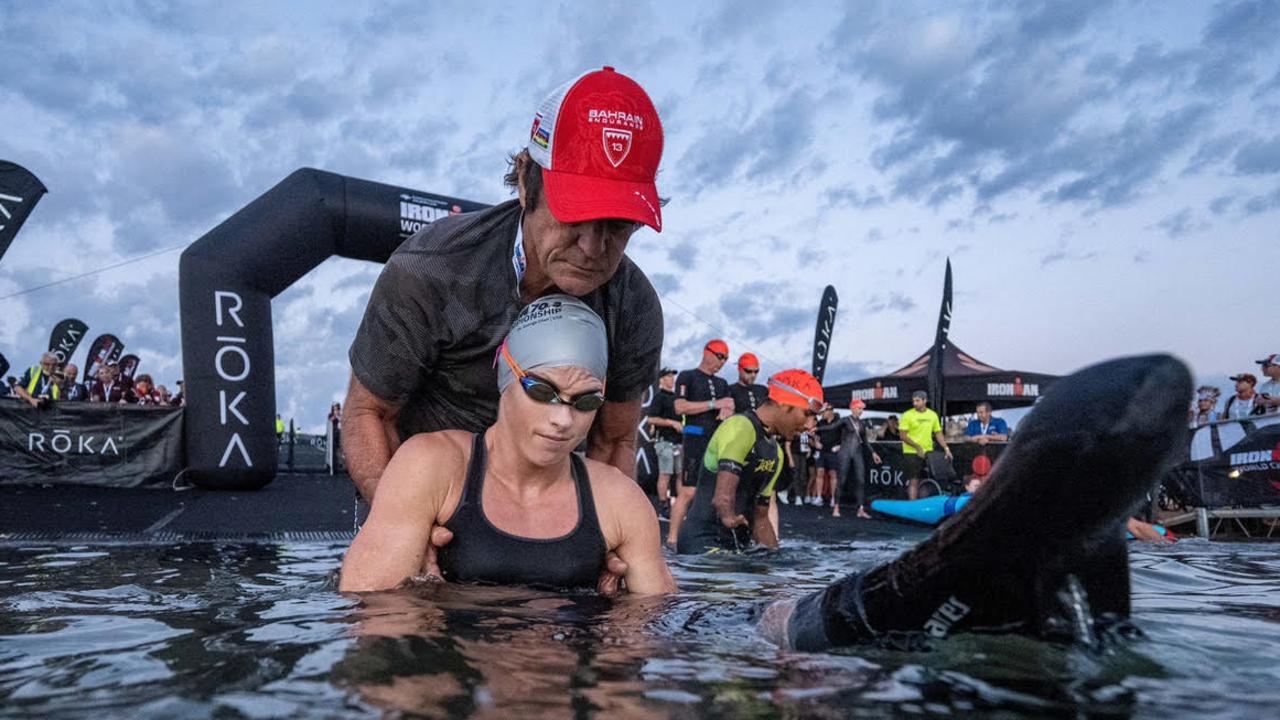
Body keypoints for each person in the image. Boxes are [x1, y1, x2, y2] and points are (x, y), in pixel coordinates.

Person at [343, 67, 666, 503]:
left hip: (549, 502)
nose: (593, 247)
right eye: (575, 215)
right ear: (525, 178)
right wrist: (398, 525)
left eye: (619, 223)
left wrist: (609, 539)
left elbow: (614, 442)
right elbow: (369, 413)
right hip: (431, 488)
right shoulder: (431, 270)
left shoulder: (634, 306)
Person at [758, 354, 1192, 650]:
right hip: (747, 575)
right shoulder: (747, 433)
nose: (811, 422)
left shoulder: (1077, 536)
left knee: (761, 618)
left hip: (836, 608)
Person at [340, 295, 675, 594]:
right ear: (505, 376)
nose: (563, 419)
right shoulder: (433, 467)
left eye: (585, 402)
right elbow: (372, 614)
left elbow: (651, 630)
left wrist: (616, 623)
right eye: (542, 391)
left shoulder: (619, 501)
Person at [676, 369, 823, 555]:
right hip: (702, 544)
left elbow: (761, 519)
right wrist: (730, 519)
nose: (810, 426)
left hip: (734, 548)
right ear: (784, 404)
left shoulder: (776, 452)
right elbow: (721, 499)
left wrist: (775, 558)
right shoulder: (740, 427)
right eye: (808, 414)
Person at [666, 340, 733, 548]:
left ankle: (707, 537)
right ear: (707, 353)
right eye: (720, 356)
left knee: (714, 491)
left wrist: (726, 410)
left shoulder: (722, 384)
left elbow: (729, 406)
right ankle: (672, 539)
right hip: (695, 438)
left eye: (726, 358)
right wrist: (714, 404)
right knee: (688, 491)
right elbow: (680, 407)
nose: (722, 362)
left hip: (716, 441)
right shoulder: (688, 376)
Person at [831, 399, 882, 519]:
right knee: (841, 480)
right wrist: (816, 429)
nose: (861, 411)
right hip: (845, 451)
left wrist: (873, 453)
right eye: (859, 408)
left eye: (862, 409)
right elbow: (831, 427)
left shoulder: (861, 424)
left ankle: (860, 508)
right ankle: (836, 507)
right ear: (853, 408)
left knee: (861, 480)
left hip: (857, 452)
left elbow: (865, 441)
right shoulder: (845, 420)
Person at [900, 391, 952, 500]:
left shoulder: (932, 415)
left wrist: (946, 448)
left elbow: (938, 433)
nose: (915, 403)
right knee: (914, 480)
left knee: (928, 478)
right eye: (913, 401)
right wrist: (917, 447)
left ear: (925, 400)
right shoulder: (907, 415)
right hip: (911, 452)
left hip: (928, 452)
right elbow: (903, 436)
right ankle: (912, 506)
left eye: (917, 401)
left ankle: (923, 504)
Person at [646, 368, 682, 510]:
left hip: (679, 442)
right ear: (661, 380)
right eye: (668, 376)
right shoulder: (659, 397)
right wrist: (671, 422)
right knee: (665, 473)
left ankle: (679, 504)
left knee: (680, 474)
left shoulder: (677, 398)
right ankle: (662, 505)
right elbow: (651, 419)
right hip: (664, 441)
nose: (672, 379)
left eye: (673, 376)